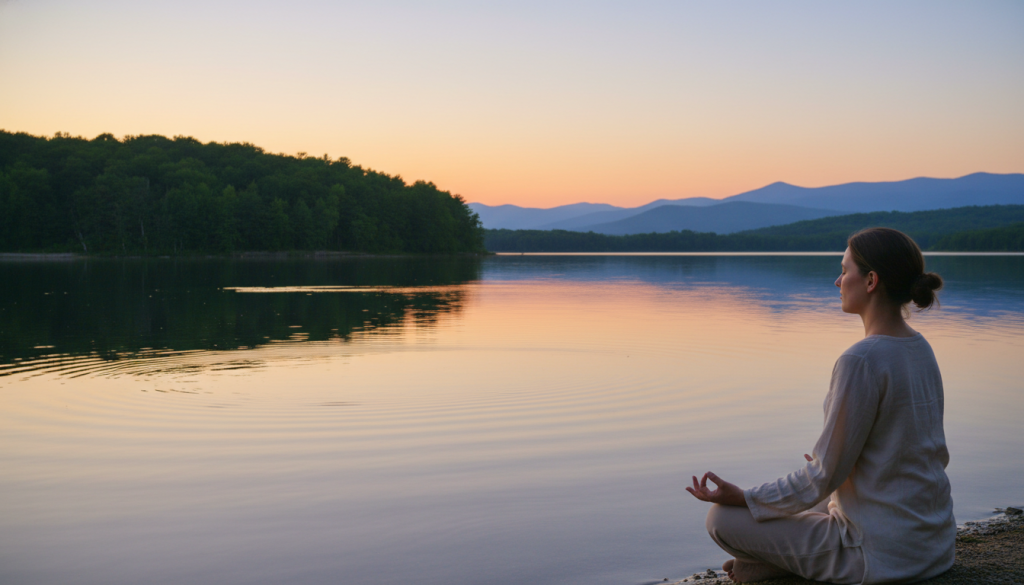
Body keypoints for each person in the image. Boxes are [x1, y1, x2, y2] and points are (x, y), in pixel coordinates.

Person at [685, 227, 955, 584]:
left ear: (871, 280)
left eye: (845, 271)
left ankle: (773, 566)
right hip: (932, 545)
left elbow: (822, 477)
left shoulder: (861, 360)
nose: (837, 281)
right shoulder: (920, 348)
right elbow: (901, 450)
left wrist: (745, 497)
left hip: (882, 557)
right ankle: (773, 564)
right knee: (815, 498)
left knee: (721, 520)